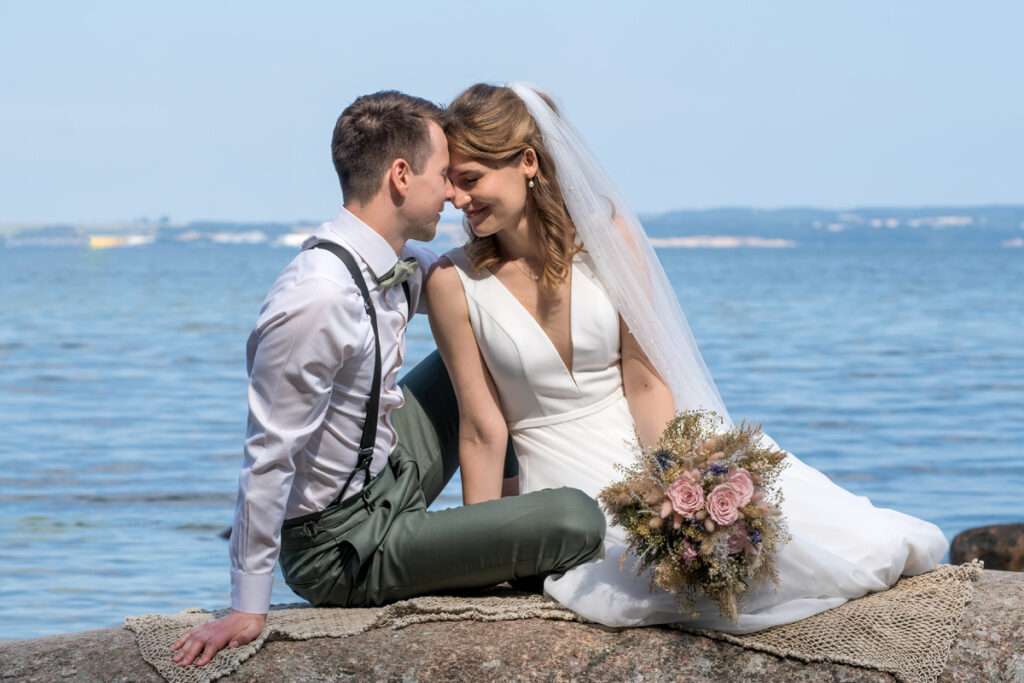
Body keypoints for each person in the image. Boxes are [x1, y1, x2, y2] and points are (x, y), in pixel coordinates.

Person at [427, 82, 949, 634]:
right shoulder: (453, 281)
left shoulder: (609, 240)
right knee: (627, 584)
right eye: (450, 184)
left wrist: (678, 488)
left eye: (470, 179)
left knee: (840, 546)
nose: (457, 199)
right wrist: (478, 554)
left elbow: (647, 385)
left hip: (640, 450)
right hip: (557, 478)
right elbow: (483, 428)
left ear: (527, 162)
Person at [172, 90, 605, 667]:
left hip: (388, 478)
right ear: (401, 176)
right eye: (445, 176)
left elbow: (491, 290)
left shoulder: (395, 264)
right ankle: (500, 540)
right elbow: (268, 456)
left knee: (493, 347)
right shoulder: (316, 300)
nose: (454, 196)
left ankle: (494, 522)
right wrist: (249, 607)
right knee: (575, 519)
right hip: (342, 547)